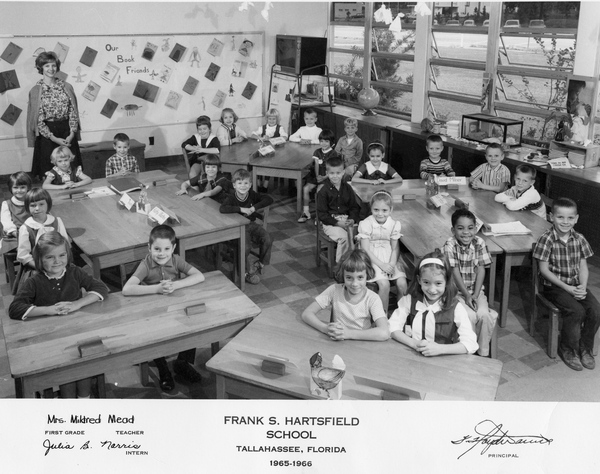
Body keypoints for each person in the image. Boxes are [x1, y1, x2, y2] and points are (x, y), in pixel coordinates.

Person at [9, 231, 108, 398]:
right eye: (50, 257)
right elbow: (15, 308)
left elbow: (101, 288)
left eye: (62, 255)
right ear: (39, 259)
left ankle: (84, 400)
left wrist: (77, 304)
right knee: (67, 367)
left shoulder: (74, 272)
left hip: (77, 331)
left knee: (82, 360)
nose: (57, 261)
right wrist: (49, 309)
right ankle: (68, 403)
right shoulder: (34, 280)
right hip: (51, 338)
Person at [122, 225, 206, 391]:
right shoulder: (145, 264)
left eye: (167, 249)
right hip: (152, 312)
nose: (162, 253)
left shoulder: (175, 260)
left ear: (173, 248)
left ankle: (182, 363)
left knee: (193, 322)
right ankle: (163, 368)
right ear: (149, 248)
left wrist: (176, 285)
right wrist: (156, 289)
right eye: (157, 249)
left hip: (173, 307)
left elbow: (199, 276)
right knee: (155, 333)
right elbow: (127, 289)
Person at [532, 197, 600, 371]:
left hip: (576, 284)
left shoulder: (580, 238)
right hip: (554, 287)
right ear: (551, 217)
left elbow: (583, 266)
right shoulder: (546, 239)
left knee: (595, 309)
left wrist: (582, 286)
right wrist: (567, 288)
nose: (565, 222)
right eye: (560, 217)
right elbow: (544, 270)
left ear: (576, 218)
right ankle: (568, 348)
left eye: (570, 218)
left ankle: (584, 347)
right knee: (576, 311)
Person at [389, 250, 478, 356]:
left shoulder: (455, 307)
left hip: (443, 360)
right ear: (419, 280)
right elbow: (392, 327)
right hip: (412, 356)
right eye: (426, 282)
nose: (432, 289)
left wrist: (440, 349)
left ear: (447, 281)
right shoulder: (409, 300)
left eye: (438, 283)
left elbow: (470, 344)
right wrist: (414, 343)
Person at [301, 248, 390, 341]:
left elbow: (384, 332)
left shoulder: (372, 298)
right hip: (337, 344)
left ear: (367, 275)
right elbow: (307, 314)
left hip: (362, 344)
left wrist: (348, 334)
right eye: (349, 278)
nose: (355, 284)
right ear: (342, 275)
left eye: (360, 277)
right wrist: (325, 328)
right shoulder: (334, 290)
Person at [443, 209, 498, 357]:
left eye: (470, 228)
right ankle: (469, 350)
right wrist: (467, 295)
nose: (466, 232)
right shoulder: (450, 245)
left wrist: (474, 294)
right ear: (453, 230)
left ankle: (483, 352)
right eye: (460, 228)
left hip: (476, 292)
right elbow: (454, 273)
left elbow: (481, 269)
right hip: (457, 293)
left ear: (475, 228)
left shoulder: (480, 243)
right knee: (469, 316)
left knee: (484, 315)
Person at [27, 51, 82, 179]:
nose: (51, 69)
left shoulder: (66, 86)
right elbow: (37, 119)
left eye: (53, 65)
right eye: (47, 66)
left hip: (67, 131)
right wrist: (53, 138)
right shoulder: (36, 91)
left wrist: (72, 133)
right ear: (41, 68)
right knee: (50, 174)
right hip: (48, 135)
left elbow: (73, 111)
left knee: (72, 172)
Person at [220, 169, 273, 284]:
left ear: (250, 185)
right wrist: (240, 209)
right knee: (246, 246)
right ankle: (245, 273)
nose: (243, 186)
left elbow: (269, 199)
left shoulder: (252, 194)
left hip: (251, 224)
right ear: (234, 185)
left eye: (246, 183)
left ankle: (261, 263)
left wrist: (254, 208)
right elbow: (223, 208)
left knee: (268, 238)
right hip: (239, 227)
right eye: (239, 183)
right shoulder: (231, 198)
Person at [357, 190, 408, 313]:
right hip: (372, 258)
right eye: (376, 210)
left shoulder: (394, 224)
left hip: (390, 257)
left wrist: (391, 263)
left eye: (384, 210)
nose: (380, 214)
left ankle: (401, 314)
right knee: (384, 284)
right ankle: (381, 316)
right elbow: (365, 249)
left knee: (402, 284)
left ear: (390, 210)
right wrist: (382, 265)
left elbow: (395, 247)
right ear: (371, 209)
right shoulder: (366, 224)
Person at [316, 156, 361, 263]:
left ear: (343, 172)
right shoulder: (323, 191)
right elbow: (322, 215)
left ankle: (357, 264)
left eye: (338, 173)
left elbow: (354, 207)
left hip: (346, 220)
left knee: (363, 235)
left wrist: (352, 219)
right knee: (344, 237)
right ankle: (341, 266)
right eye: (332, 173)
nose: (335, 176)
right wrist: (337, 223)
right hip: (330, 223)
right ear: (327, 173)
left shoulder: (348, 188)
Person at [17, 188, 69, 271]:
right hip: (37, 267)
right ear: (27, 207)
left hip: (58, 264)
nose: (37, 208)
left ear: (48, 204)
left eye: (41, 204)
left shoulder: (57, 221)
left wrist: (60, 264)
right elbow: (23, 255)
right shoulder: (26, 228)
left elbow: (65, 245)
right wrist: (40, 268)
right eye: (33, 205)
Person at [298, 129, 339, 223]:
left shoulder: (333, 153)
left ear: (331, 142)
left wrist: (324, 177)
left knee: (319, 191)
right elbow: (316, 164)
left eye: (326, 141)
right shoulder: (317, 152)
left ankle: (319, 215)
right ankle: (306, 212)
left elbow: (332, 169)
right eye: (321, 141)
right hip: (317, 177)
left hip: (328, 178)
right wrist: (317, 176)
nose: (323, 143)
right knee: (306, 189)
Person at [251, 108, 288, 193]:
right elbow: (252, 135)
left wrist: (273, 139)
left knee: (269, 164)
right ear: (266, 119)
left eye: (273, 119)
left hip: (275, 152)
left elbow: (285, 137)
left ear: (277, 119)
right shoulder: (262, 128)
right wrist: (261, 138)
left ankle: (265, 184)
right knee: (258, 162)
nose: (271, 121)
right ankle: (258, 183)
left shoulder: (280, 128)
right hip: (263, 151)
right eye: (269, 118)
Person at [181, 115, 220, 180]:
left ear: (209, 129)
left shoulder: (213, 138)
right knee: (192, 174)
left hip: (211, 163)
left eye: (204, 129)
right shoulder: (196, 137)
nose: (202, 131)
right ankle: (196, 188)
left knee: (211, 174)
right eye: (200, 129)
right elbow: (184, 144)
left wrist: (202, 150)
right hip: (198, 161)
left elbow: (217, 150)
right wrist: (194, 149)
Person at [1, 171, 32, 240]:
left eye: (22, 187)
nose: (19, 190)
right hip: (15, 233)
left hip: (31, 231)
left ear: (28, 187)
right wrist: (15, 233)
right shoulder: (6, 204)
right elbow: (6, 220)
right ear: (11, 188)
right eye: (15, 187)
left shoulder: (32, 201)